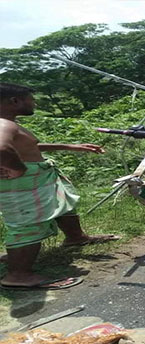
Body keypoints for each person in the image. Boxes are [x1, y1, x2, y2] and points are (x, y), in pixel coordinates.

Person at [0, 83, 120, 290]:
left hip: (39, 179)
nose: (34, 103)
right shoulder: (3, 124)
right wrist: (18, 169)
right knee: (28, 224)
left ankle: (76, 237)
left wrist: (70, 146)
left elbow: (27, 146)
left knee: (62, 202)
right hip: (23, 184)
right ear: (15, 101)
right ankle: (18, 274)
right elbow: (2, 148)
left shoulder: (10, 123)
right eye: (31, 98)